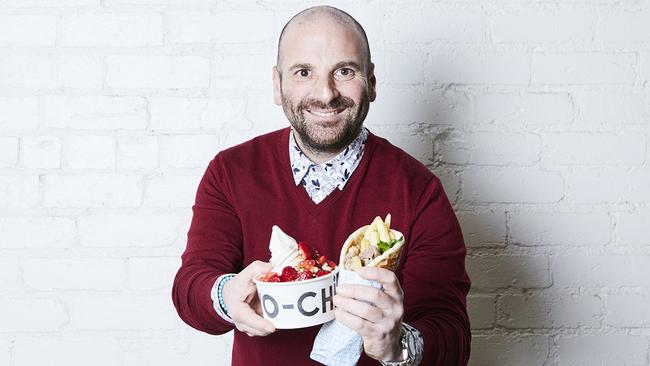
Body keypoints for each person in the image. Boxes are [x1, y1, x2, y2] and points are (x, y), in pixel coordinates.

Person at [172, 5, 471, 366]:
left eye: (344, 71)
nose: (326, 94)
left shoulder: (419, 191)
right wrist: (224, 296)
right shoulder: (231, 172)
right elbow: (190, 287)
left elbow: (452, 335)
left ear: (371, 82)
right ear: (277, 85)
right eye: (303, 72)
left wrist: (399, 343)